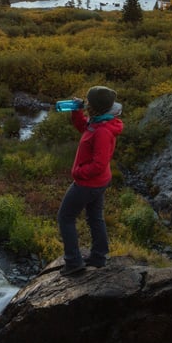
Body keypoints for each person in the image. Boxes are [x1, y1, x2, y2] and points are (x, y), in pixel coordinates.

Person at [57, 85, 123, 275]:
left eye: (88, 101)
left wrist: (78, 172)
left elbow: (99, 164)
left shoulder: (102, 130)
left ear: (95, 106)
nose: (85, 103)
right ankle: (99, 257)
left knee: (65, 217)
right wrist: (77, 112)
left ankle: (73, 262)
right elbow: (83, 127)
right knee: (95, 217)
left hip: (89, 183)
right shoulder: (99, 121)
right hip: (99, 182)